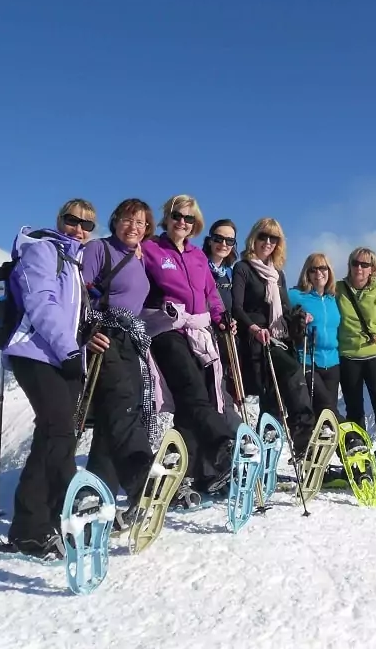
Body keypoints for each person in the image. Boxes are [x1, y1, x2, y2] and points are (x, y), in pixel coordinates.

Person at [0, 198, 96, 559]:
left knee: (53, 434)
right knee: (57, 429)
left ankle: (37, 523)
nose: (79, 228)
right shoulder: (42, 251)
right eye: (73, 220)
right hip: (35, 353)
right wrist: (69, 350)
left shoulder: (74, 262)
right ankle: (40, 524)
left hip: (60, 355)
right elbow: (41, 303)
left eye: (87, 224)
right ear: (60, 220)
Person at [140, 194, 240, 499]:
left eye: (188, 218)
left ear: (195, 224)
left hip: (198, 330)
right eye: (176, 216)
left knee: (191, 403)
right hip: (165, 329)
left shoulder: (197, 256)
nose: (182, 222)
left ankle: (193, 473)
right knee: (192, 388)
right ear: (167, 218)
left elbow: (210, 293)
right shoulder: (150, 249)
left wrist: (222, 319)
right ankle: (224, 447)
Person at [80, 198, 157, 519]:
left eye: (140, 223)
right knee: (124, 409)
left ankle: (97, 497)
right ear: (115, 221)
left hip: (132, 341)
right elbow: (79, 292)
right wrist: (85, 331)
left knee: (117, 415)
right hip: (105, 335)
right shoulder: (99, 249)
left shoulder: (138, 257)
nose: (133, 227)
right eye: (128, 220)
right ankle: (143, 486)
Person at [231, 218, 322, 458]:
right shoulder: (243, 268)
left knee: (272, 398)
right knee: (292, 374)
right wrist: (252, 328)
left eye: (274, 239)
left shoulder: (277, 274)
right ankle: (304, 438)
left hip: (279, 338)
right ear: (254, 238)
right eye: (264, 237)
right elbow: (236, 307)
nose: (268, 243)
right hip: (256, 340)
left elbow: (284, 307)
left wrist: (300, 316)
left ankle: (266, 452)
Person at [336, 246, 376, 476]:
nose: (360, 268)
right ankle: (359, 453)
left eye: (365, 264)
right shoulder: (338, 289)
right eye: (356, 263)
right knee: (354, 408)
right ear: (350, 265)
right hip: (347, 356)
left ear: (373, 269)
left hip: (375, 356)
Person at [288, 252, 342, 419]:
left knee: (326, 413)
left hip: (333, 363)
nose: (319, 273)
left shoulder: (333, 298)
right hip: (308, 360)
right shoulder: (296, 295)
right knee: (327, 407)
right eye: (313, 269)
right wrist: (297, 317)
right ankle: (351, 437)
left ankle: (329, 444)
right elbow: (280, 311)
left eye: (323, 268)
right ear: (307, 273)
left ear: (329, 271)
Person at [202, 219, 243, 418]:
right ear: (210, 240)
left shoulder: (229, 274)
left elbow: (233, 305)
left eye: (229, 241)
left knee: (229, 384)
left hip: (227, 337)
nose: (224, 244)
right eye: (219, 238)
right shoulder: (199, 266)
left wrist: (233, 322)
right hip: (204, 336)